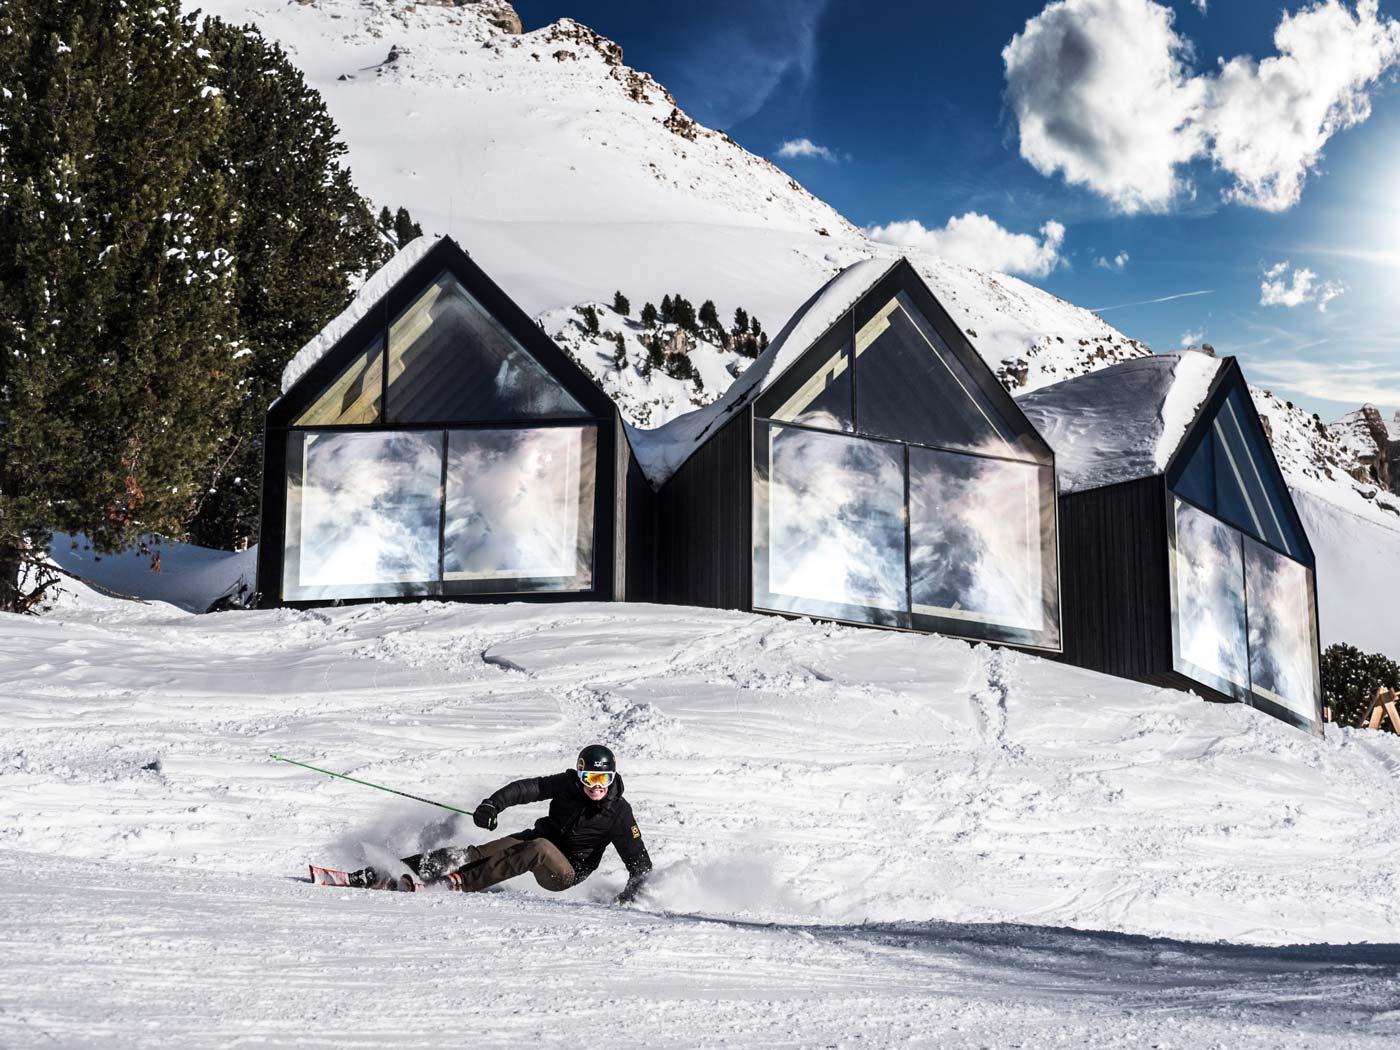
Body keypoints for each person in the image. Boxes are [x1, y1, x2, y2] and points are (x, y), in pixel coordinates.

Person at [349, 744, 652, 903]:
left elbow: (639, 862)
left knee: (537, 847)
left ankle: (457, 883)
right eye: (590, 778)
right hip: (539, 842)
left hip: (566, 872)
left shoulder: (619, 813)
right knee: (472, 854)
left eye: (603, 779)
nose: (596, 786)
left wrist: (629, 896)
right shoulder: (566, 784)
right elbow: (527, 789)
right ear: (580, 774)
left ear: (612, 778)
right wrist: (492, 805)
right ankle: (389, 871)